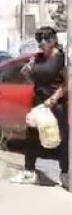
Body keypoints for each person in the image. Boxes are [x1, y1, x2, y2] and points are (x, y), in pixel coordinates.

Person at [15, 26, 68, 186]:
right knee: (32, 135)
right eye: (38, 41)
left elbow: (67, 83)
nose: (40, 44)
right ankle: (30, 170)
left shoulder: (61, 59)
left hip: (55, 103)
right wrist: (27, 71)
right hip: (38, 102)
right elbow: (32, 79)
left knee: (61, 139)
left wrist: (53, 99)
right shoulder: (37, 58)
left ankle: (65, 173)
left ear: (52, 41)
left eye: (43, 41)